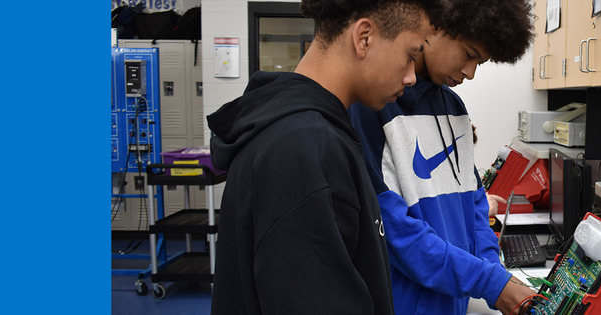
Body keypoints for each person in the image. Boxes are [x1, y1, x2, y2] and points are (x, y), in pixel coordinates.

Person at [206, 0, 436, 313]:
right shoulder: (305, 146)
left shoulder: (314, 131)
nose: (411, 77)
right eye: (410, 56)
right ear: (363, 37)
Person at [346, 0, 537, 314]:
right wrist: (489, 282)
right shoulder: (373, 107)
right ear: (434, 27)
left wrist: (496, 276)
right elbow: (396, 233)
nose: (471, 73)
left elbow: (475, 207)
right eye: (469, 54)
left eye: (481, 63)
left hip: (453, 302)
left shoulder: (455, 109)